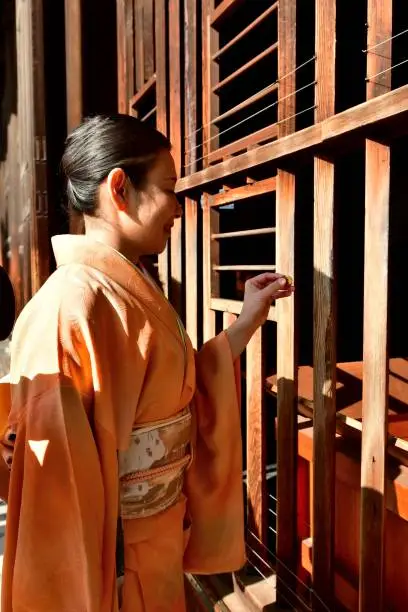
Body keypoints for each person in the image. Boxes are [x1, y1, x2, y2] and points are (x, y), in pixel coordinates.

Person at [0, 114, 294, 612]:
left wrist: (246, 321)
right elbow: (56, 494)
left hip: (155, 542)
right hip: (111, 564)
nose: (177, 207)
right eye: (168, 188)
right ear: (121, 188)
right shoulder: (69, 304)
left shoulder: (122, 288)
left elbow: (175, 389)